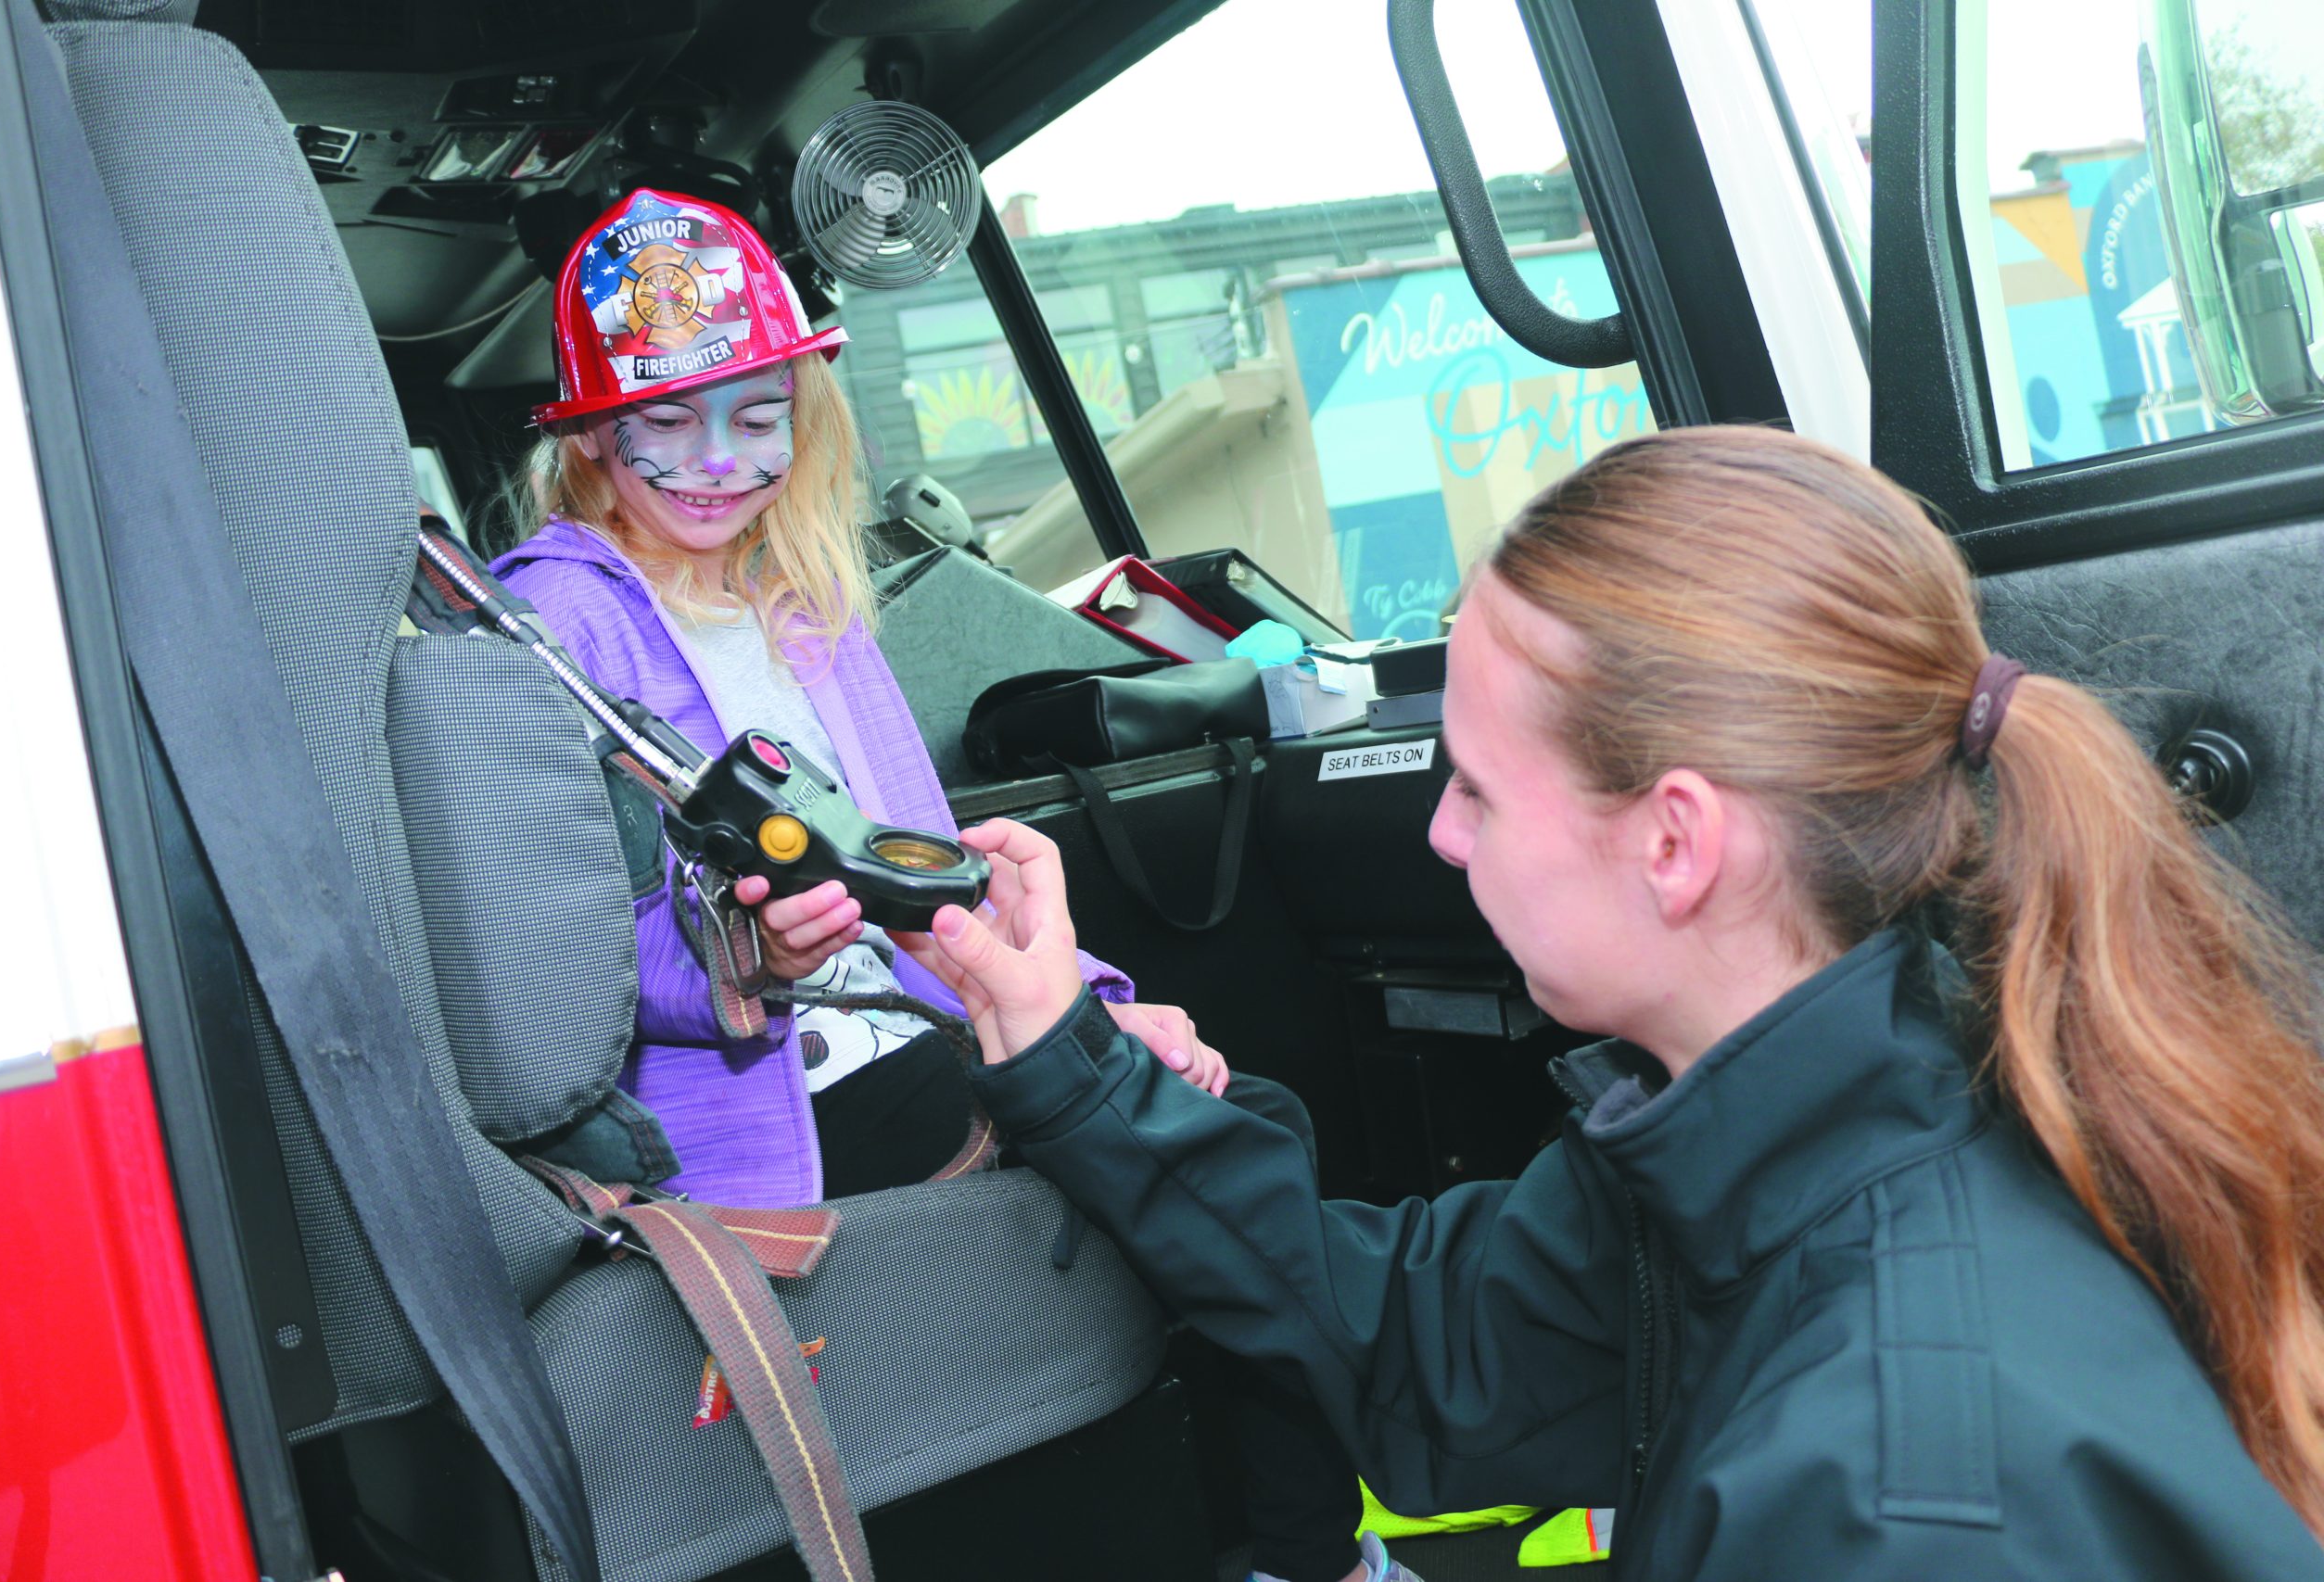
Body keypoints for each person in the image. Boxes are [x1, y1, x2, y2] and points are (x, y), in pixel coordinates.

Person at [903, 425, 2324, 1579]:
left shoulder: (1898, 1498)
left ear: (1676, 841)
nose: (1445, 839)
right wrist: (1067, 1053)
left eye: (1475, 785)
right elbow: (1415, 1340)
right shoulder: (1788, 1132)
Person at [498, 188, 1408, 1582]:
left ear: (805, 413)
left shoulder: (805, 599)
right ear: (589, 439)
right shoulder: (557, 620)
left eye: (754, 414)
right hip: (760, 1096)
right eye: (663, 423)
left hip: (913, 1032)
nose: (714, 461)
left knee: (1234, 1105)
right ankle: (1314, 1557)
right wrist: (749, 970)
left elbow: (920, 870)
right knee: (1229, 1151)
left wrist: (1102, 1009)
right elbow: (563, 959)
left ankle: (1287, 1545)